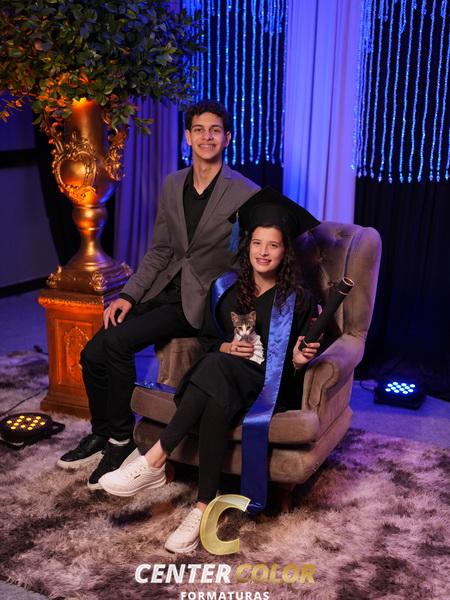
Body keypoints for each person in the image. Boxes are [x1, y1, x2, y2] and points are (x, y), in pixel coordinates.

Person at [99, 186, 321, 553]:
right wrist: (226, 347)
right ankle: (203, 509)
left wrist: (299, 359)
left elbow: (294, 367)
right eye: (257, 243)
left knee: (215, 371)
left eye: (273, 245)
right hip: (225, 380)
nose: (263, 252)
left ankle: (155, 458)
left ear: (285, 252)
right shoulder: (228, 290)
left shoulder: (298, 301)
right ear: (247, 246)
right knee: (217, 383)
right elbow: (206, 341)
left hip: (268, 386)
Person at [57, 100, 259, 489]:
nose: (206, 137)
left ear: (228, 138)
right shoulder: (172, 184)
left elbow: (248, 257)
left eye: (215, 130)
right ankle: (102, 432)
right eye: (198, 130)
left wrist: (239, 312)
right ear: (187, 137)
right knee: (92, 352)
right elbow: (160, 250)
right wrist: (129, 295)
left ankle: (121, 442)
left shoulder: (245, 192)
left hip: (199, 301)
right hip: (162, 287)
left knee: (116, 344)